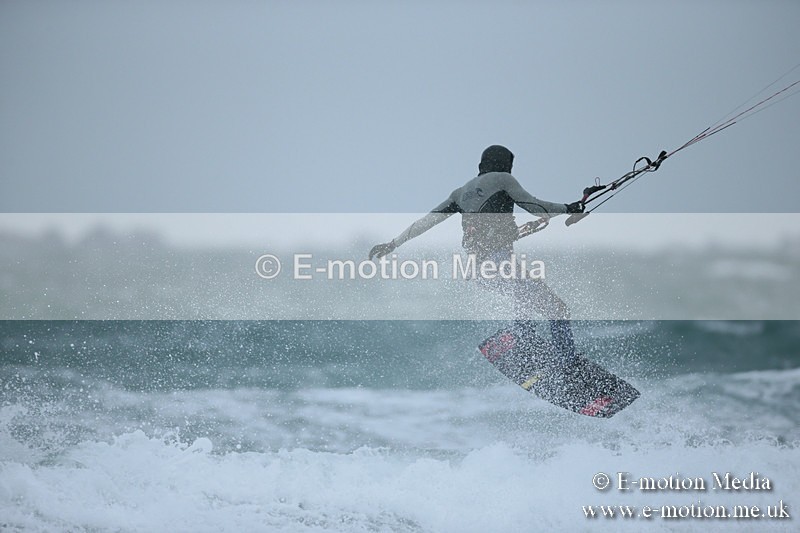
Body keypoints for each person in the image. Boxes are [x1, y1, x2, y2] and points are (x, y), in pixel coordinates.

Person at [368, 145, 584, 363]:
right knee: (558, 309)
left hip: (478, 271)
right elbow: (537, 207)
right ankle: (567, 362)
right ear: (506, 164)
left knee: (524, 299)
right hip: (500, 264)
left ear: (481, 165)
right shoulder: (502, 180)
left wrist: (393, 244)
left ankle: (524, 342)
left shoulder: (460, 193)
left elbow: (426, 222)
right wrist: (569, 207)